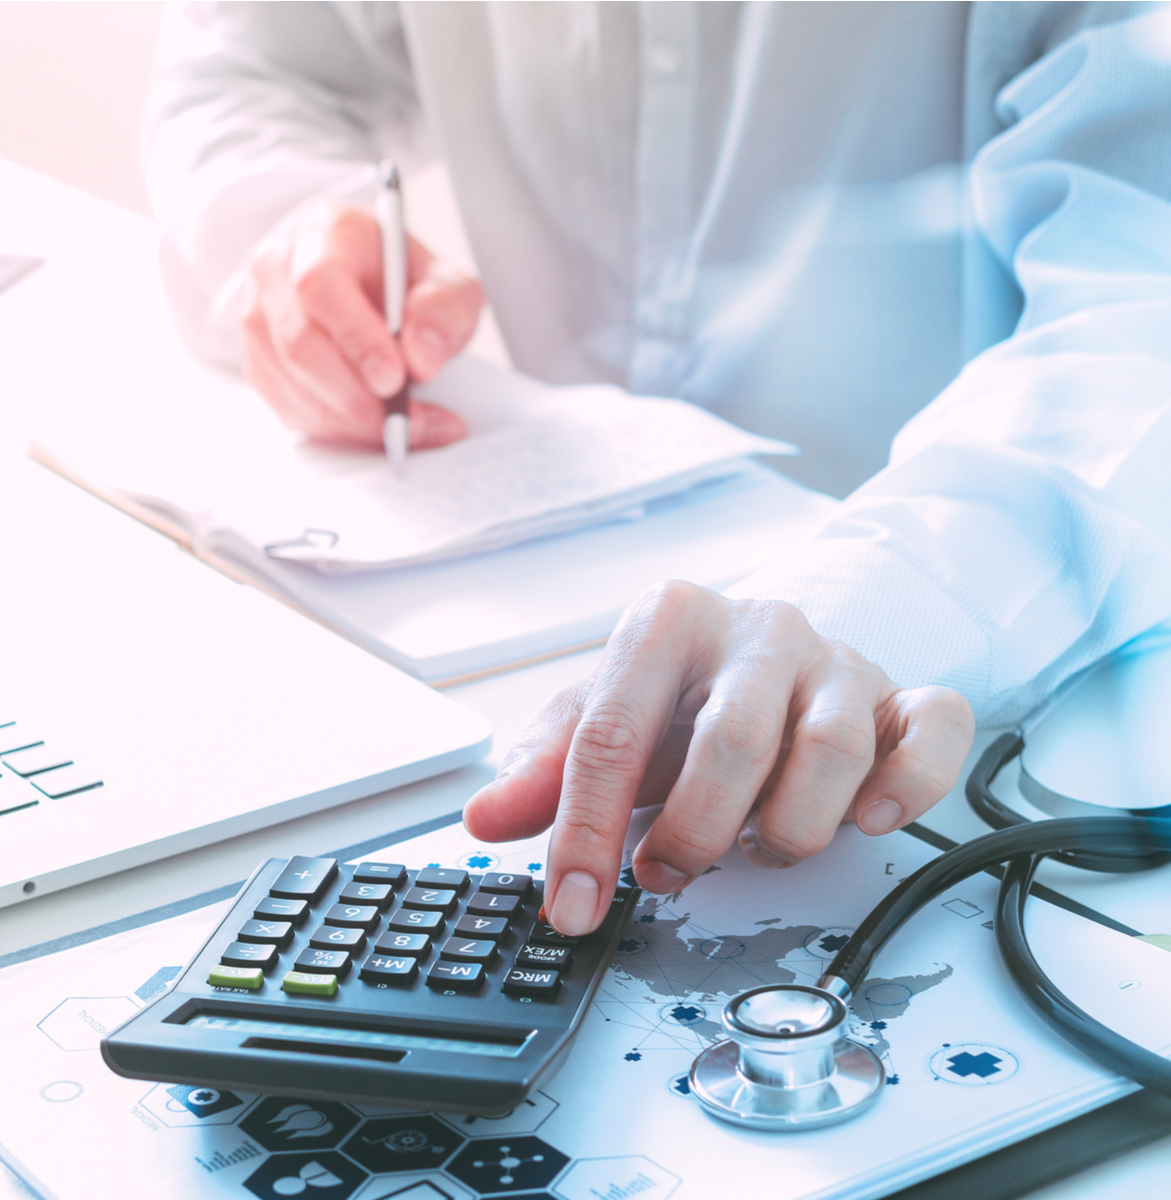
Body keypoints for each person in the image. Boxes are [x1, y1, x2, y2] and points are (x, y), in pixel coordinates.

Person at [145, 2, 1171, 936]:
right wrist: (283, 232)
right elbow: (247, 71)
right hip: (525, 611)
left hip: (982, 686)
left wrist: (881, 608)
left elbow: (1141, 303)